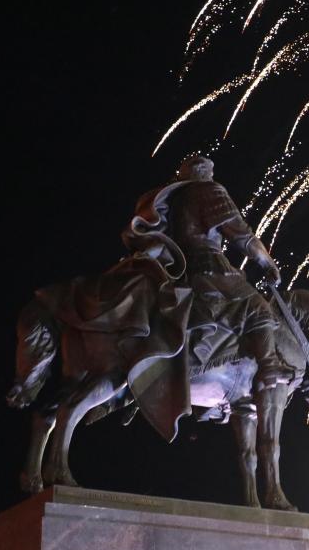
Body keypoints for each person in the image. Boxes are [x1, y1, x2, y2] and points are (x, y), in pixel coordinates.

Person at [125, 154, 292, 394]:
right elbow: (240, 234)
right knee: (258, 306)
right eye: (210, 172)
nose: (212, 176)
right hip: (210, 265)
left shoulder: (172, 200)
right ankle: (269, 366)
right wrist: (266, 262)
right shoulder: (209, 190)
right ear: (204, 173)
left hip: (178, 269)